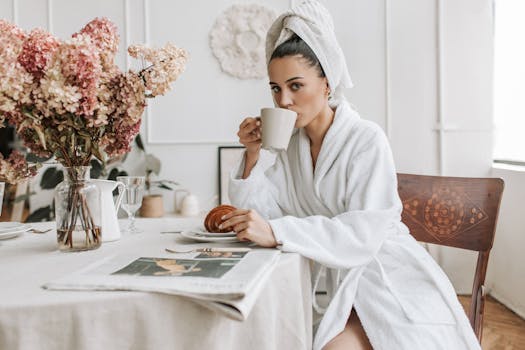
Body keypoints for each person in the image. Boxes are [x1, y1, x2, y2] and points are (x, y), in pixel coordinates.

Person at [220, 1, 481, 349]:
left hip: (390, 281)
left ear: (327, 83)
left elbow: (361, 234)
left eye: (296, 86)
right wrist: (253, 154)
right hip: (342, 286)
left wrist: (277, 231)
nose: (283, 100)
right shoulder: (292, 147)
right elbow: (269, 213)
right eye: (275, 88)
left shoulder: (365, 139)